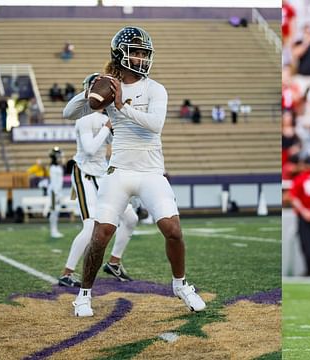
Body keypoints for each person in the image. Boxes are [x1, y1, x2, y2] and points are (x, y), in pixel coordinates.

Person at [63, 26, 205, 317]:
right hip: (120, 172)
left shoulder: (155, 89)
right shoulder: (109, 86)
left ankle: (180, 284)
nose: (141, 59)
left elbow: (155, 124)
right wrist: (87, 89)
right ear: (120, 54)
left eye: (144, 53)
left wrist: (121, 107)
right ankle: (84, 294)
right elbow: (69, 113)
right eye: (135, 53)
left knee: (173, 230)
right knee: (101, 234)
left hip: (152, 172)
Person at [58, 73, 139, 288]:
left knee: (130, 219)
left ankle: (114, 262)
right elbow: (91, 148)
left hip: (102, 174)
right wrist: (107, 127)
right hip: (84, 172)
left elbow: (120, 142)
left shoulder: (106, 117)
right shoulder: (84, 118)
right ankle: (67, 272)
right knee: (90, 226)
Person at [48, 147, 64, 239]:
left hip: (58, 192)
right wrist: (57, 194)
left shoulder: (58, 167)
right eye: (59, 157)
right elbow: (54, 183)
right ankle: (53, 231)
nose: (61, 159)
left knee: (56, 211)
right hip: (54, 193)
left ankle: (55, 230)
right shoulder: (53, 168)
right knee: (54, 211)